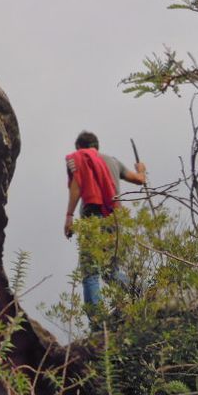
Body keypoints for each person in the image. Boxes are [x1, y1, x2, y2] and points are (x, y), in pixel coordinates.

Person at [64, 130, 147, 309]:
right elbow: (139, 180)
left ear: (79, 147)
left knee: (90, 272)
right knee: (111, 271)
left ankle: (97, 321)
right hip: (115, 219)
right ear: (97, 146)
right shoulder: (113, 161)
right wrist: (142, 169)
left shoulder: (77, 157)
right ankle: (144, 292)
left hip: (93, 218)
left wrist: (69, 216)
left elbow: (76, 187)